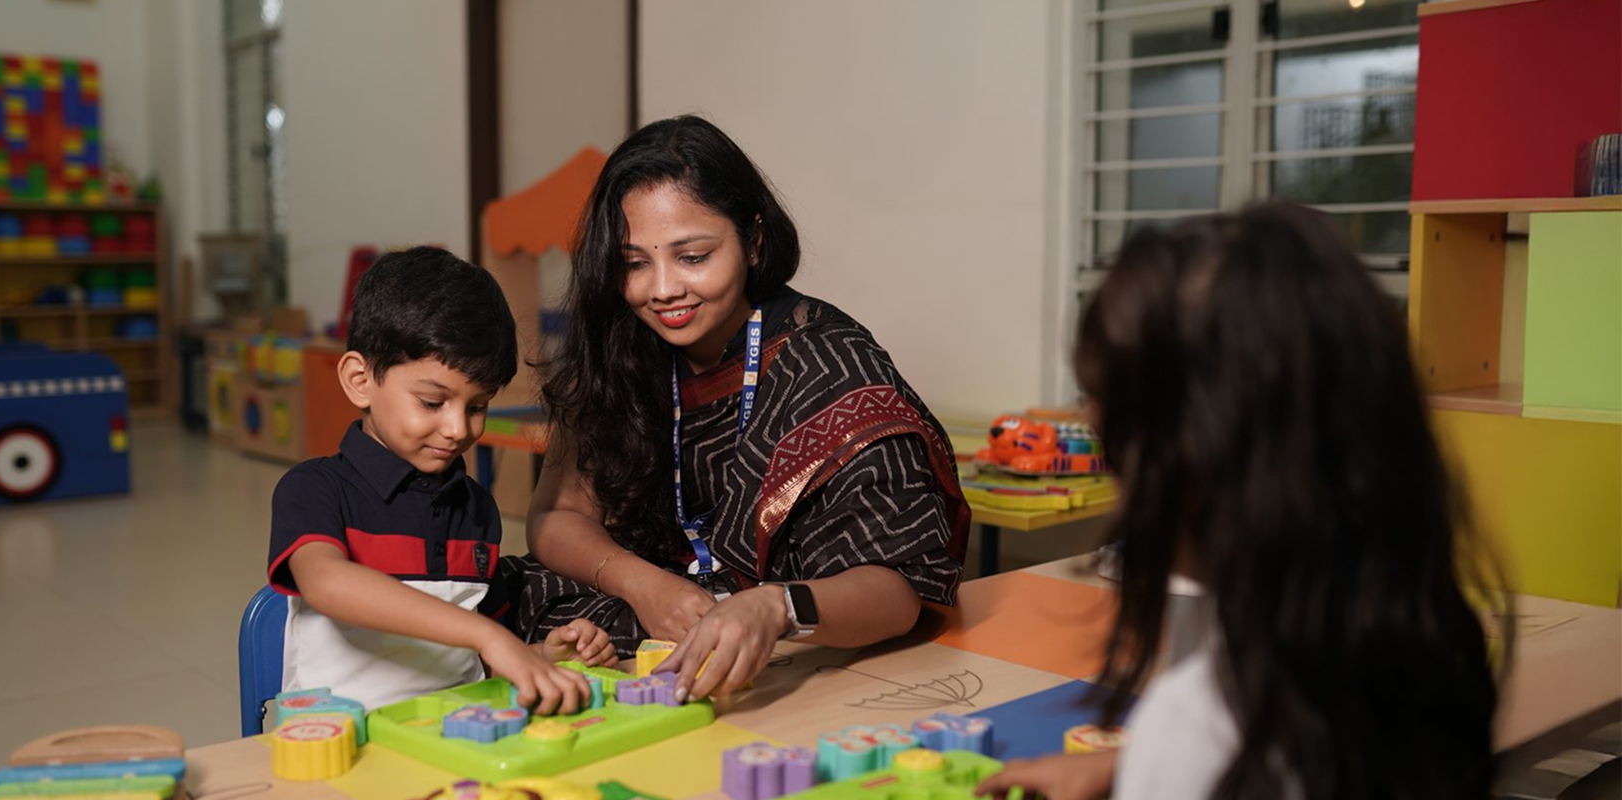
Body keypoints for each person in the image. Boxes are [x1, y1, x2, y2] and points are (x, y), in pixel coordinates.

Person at [976, 203, 1504, 799]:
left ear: (1191, 468)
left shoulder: (1195, 729)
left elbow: (1213, 750)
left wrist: (1162, 761)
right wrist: (1128, 764)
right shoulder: (1432, 640)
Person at [498, 115, 971, 703]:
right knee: (505, 599)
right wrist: (645, 586)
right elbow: (556, 516)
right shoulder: (616, 344)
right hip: (661, 605)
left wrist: (774, 607)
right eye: (634, 263)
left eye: (693, 256)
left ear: (753, 241)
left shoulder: (830, 362)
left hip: (796, 629)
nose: (662, 290)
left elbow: (899, 592)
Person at [264, 247, 617, 714]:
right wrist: (486, 636)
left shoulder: (476, 510)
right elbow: (327, 583)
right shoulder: (314, 488)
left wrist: (538, 658)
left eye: (477, 406)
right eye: (432, 402)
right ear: (360, 380)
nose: (457, 429)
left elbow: (467, 662)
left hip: (449, 733)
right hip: (339, 738)